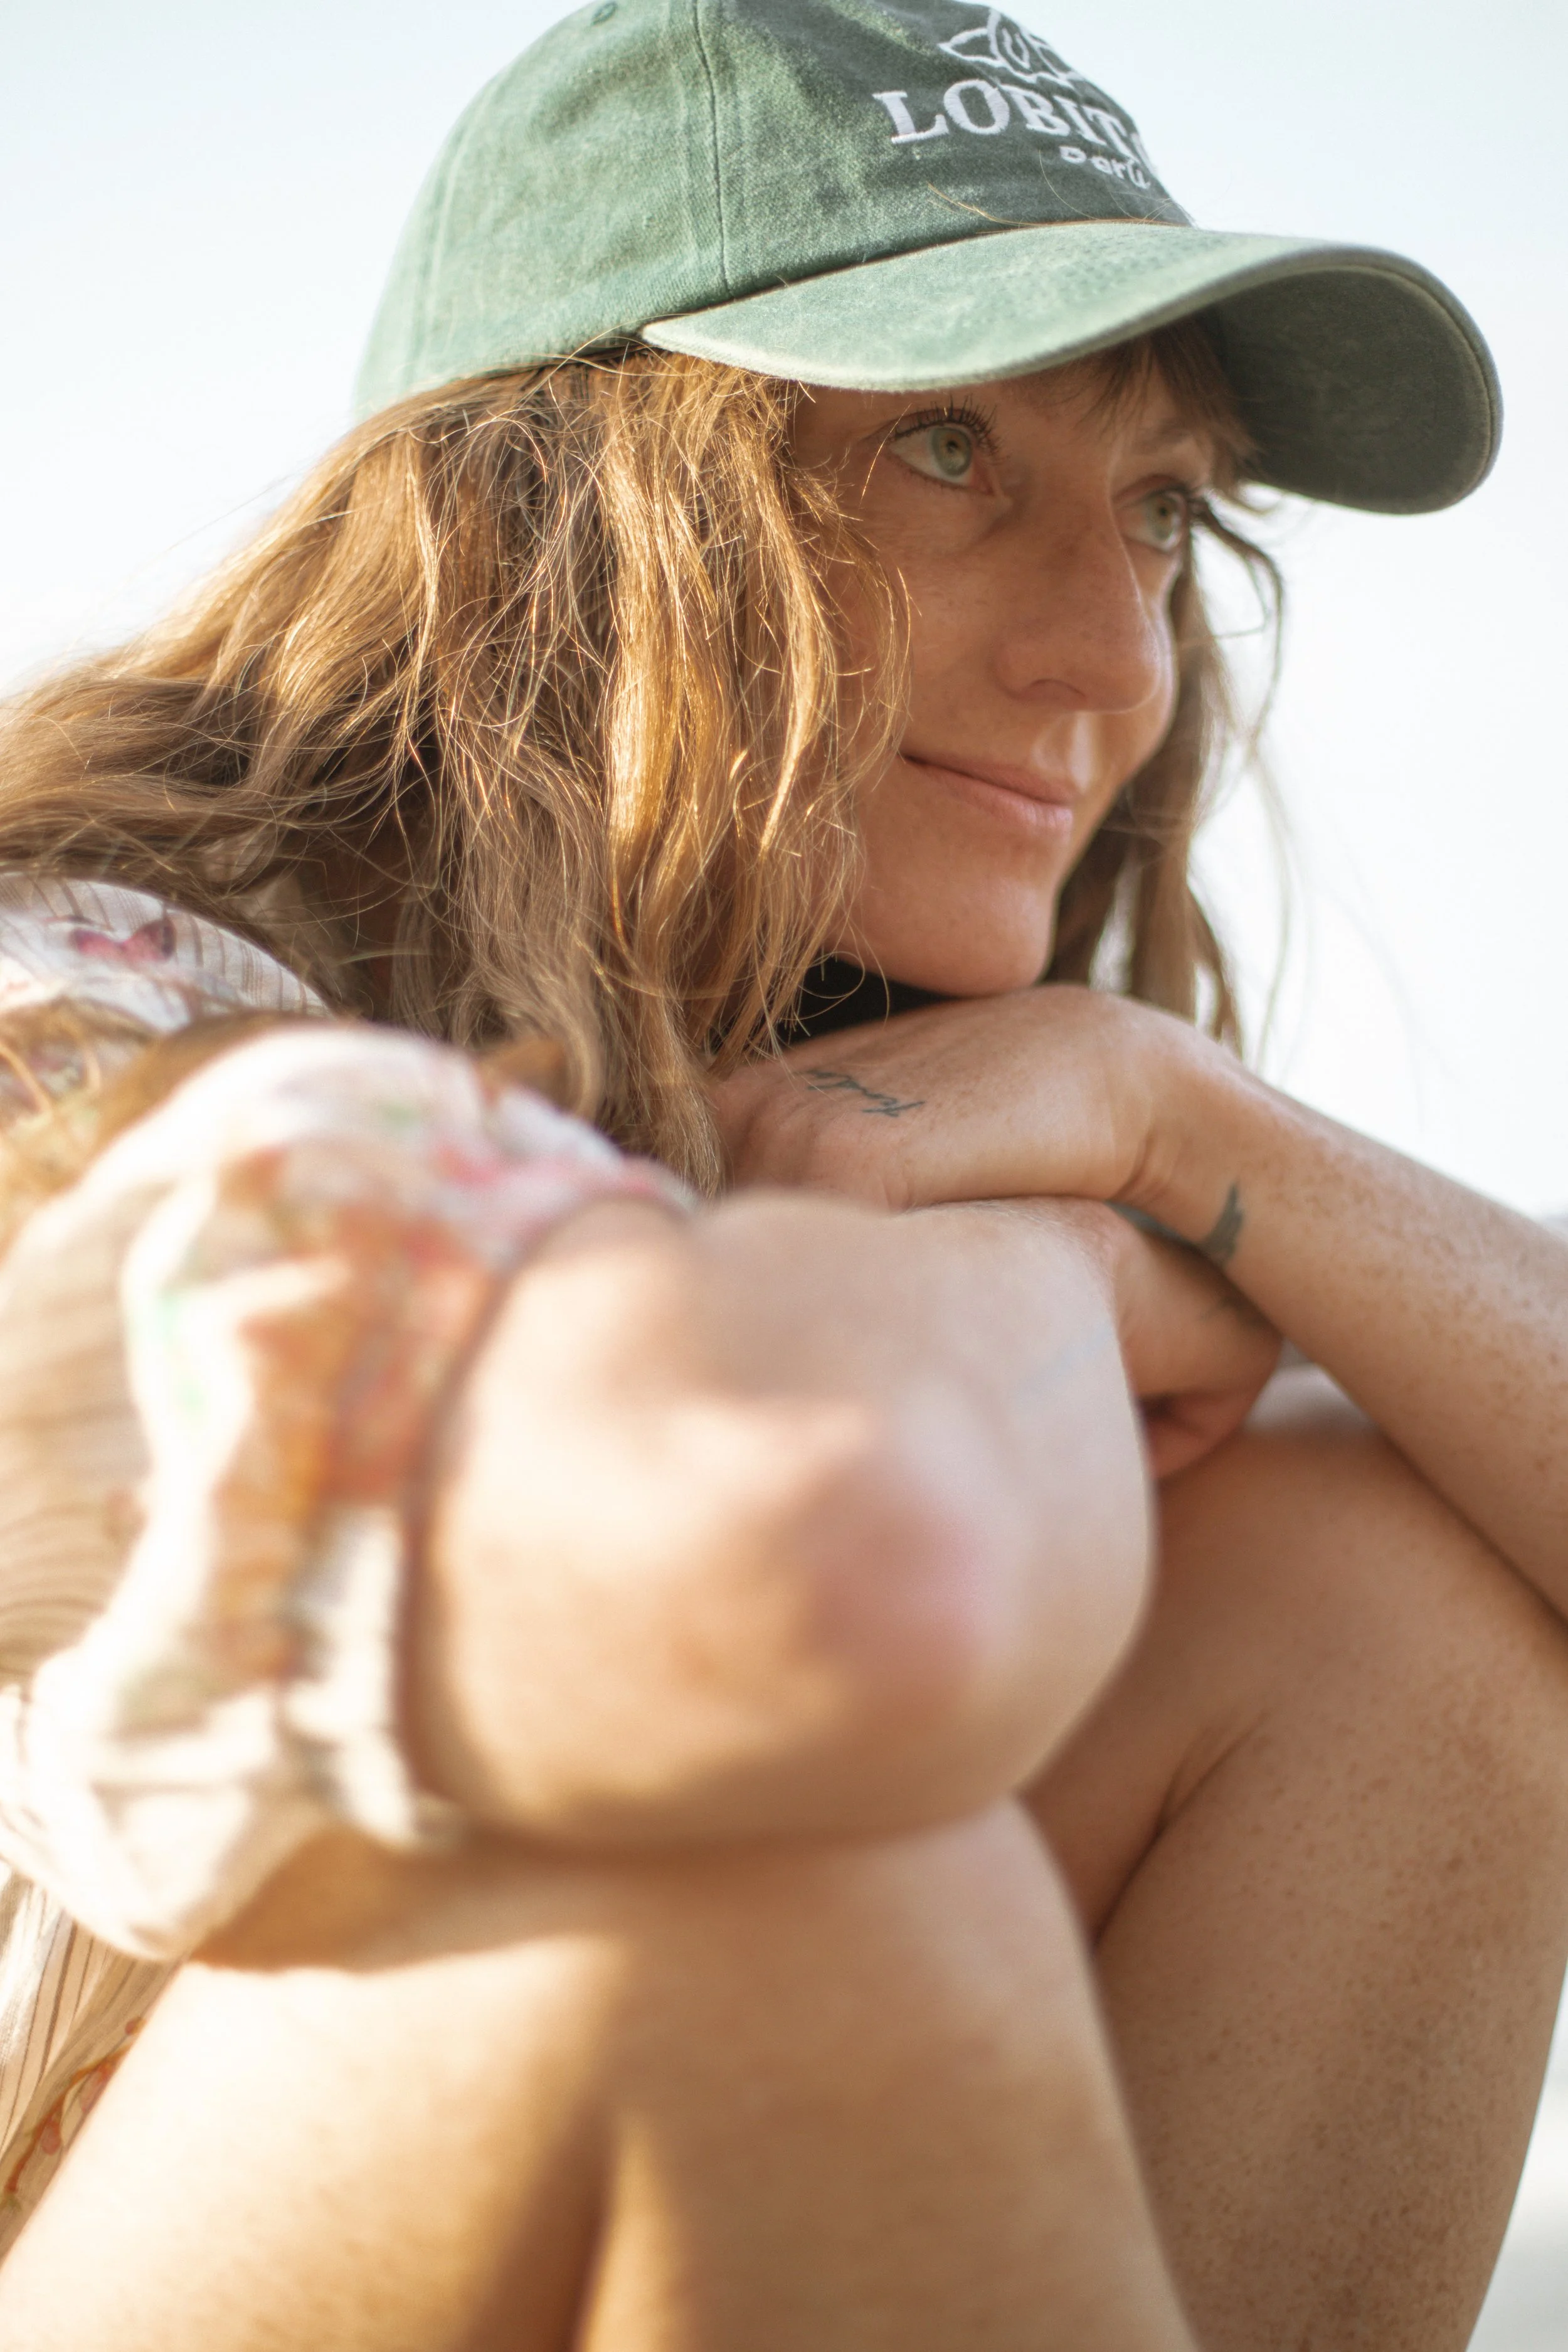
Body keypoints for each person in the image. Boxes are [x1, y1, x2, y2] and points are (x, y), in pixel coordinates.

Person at [0, 3, 1563, 2345]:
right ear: (552, 500)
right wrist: (1060, 1261)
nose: (1109, 647)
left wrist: (1195, 1137)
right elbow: (809, 1585)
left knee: (1388, 1581)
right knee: (761, 1869)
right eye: (945, 447)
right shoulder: (101, 1012)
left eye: (1158, 506)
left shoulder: (941, 1043)